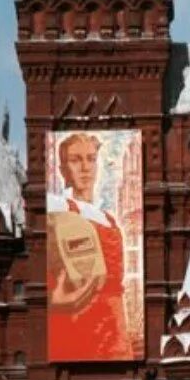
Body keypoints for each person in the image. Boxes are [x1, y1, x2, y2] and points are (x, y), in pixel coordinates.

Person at [45, 132, 135, 359]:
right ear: (63, 169)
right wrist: (52, 301)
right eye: (75, 160)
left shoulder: (108, 217)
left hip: (116, 326)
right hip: (82, 322)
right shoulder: (57, 206)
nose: (85, 167)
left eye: (91, 159)